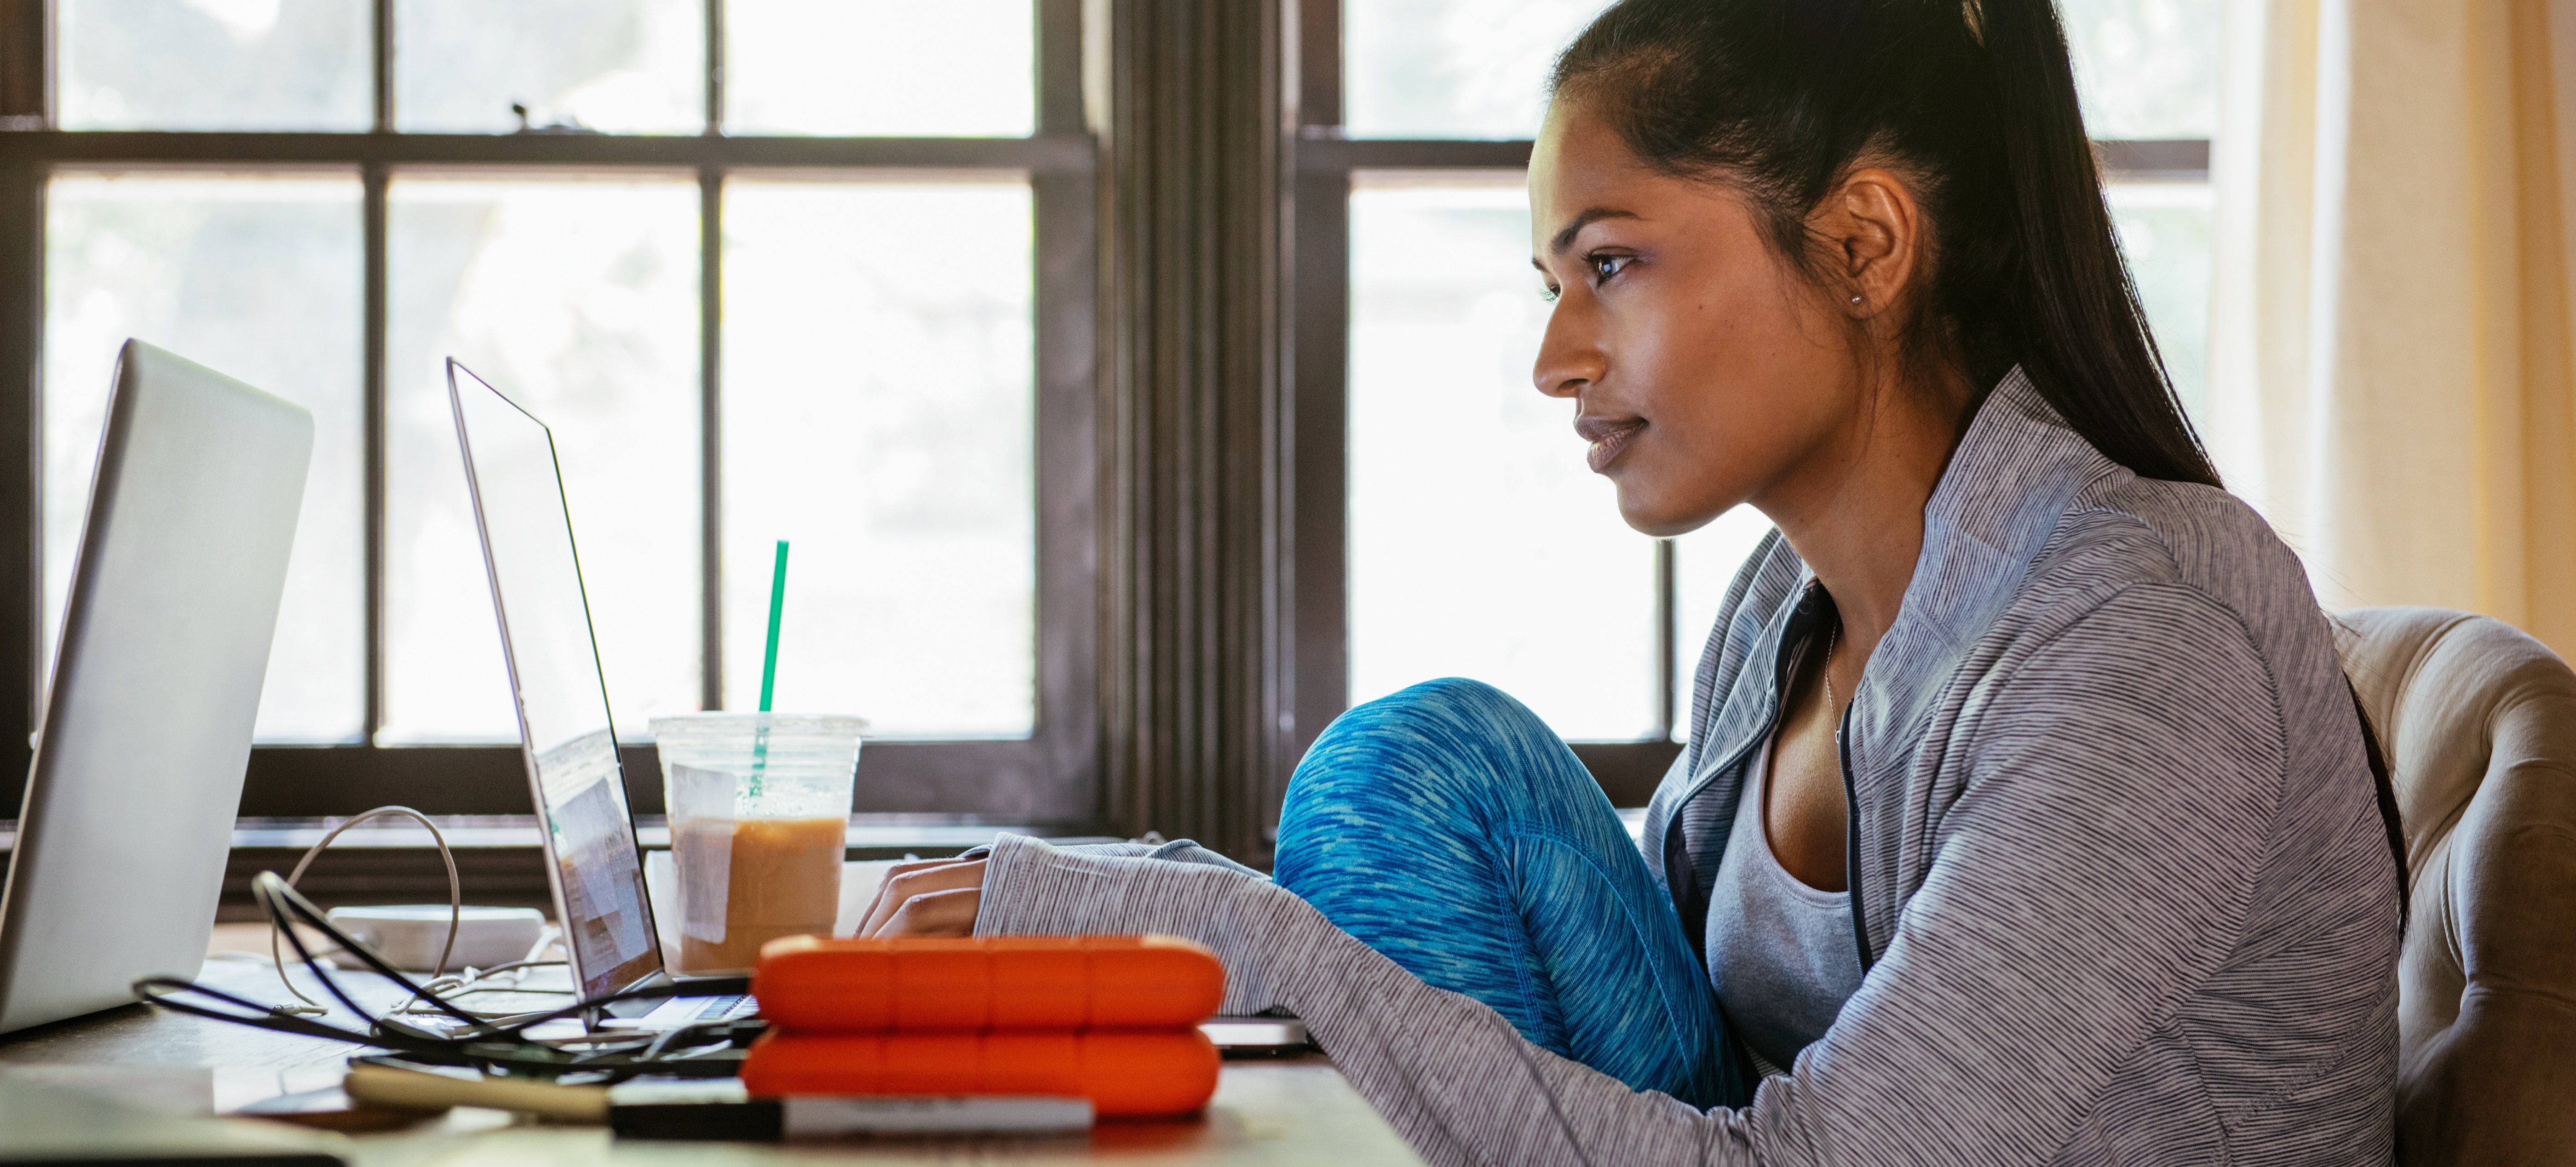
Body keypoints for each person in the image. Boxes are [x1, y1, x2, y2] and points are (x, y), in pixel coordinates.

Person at [856, 0, 2409, 1161]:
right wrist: (1159, 911)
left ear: (1865, 241)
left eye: (1610, 264)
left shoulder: (2147, 631)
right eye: (1552, 283)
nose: (1555, 359)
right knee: (1418, 764)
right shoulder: (1780, 617)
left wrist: (1215, 931)